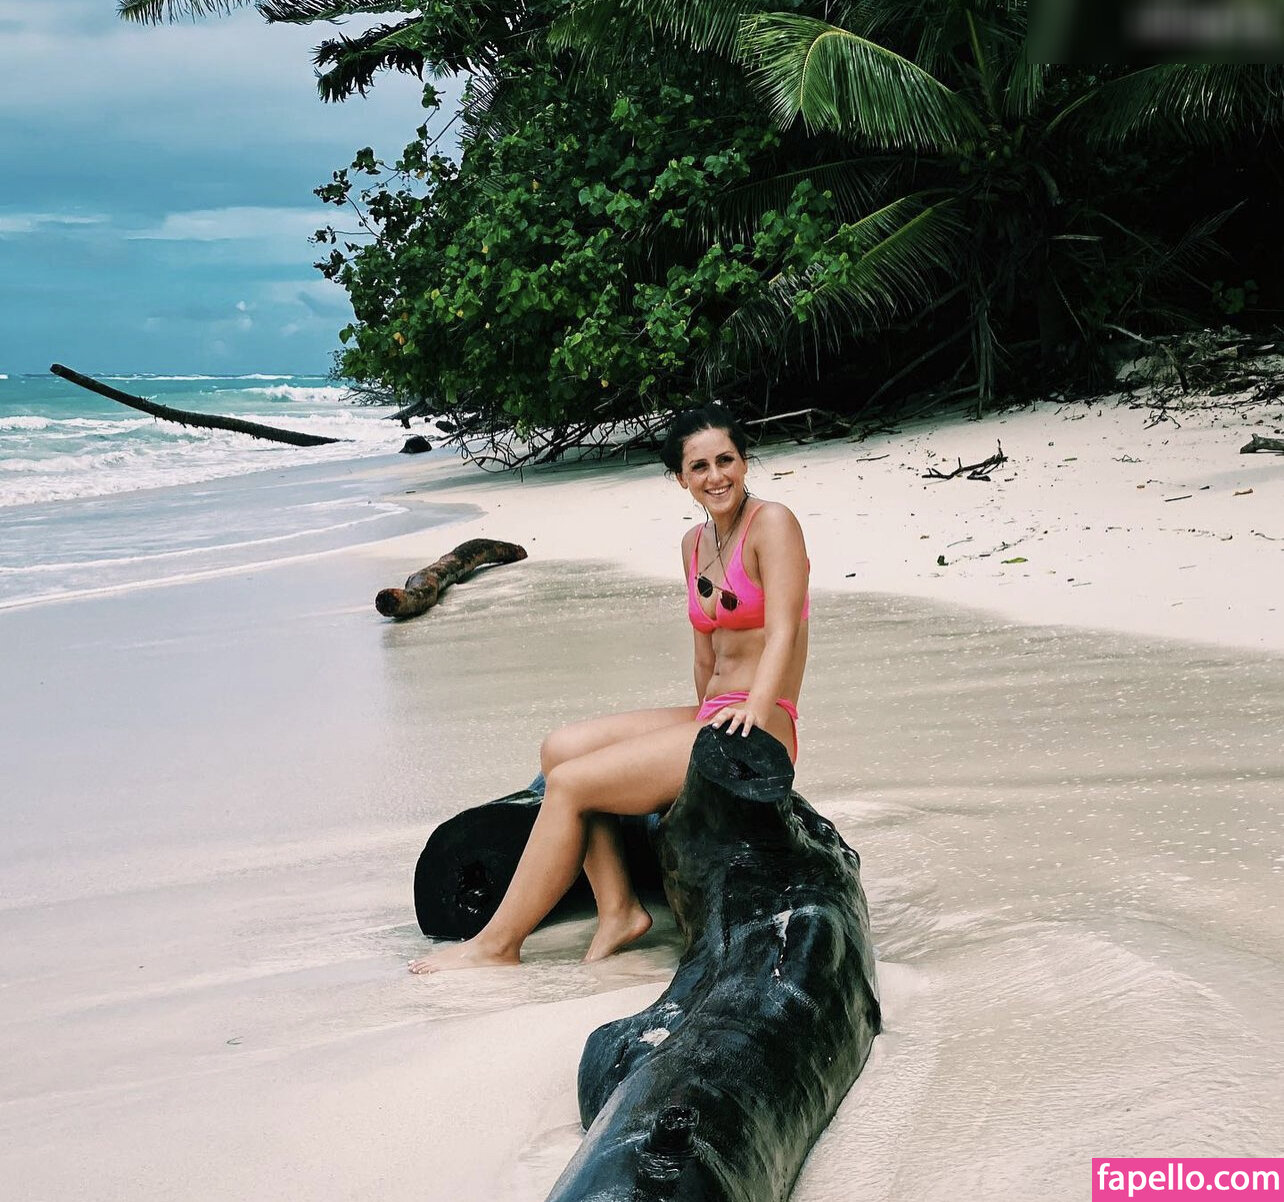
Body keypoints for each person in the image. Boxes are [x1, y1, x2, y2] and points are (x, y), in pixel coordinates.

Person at [409, 404, 811, 974]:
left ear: (745, 462)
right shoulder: (694, 543)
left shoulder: (773, 523)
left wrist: (752, 712)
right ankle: (618, 907)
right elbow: (704, 652)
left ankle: (497, 944)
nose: (715, 476)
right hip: (714, 716)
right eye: (699, 467)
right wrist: (686, 743)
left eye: (726, 460)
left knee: (571, 785)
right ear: (681, 478)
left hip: (762, 724)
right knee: (561, 750)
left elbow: (784, 631)